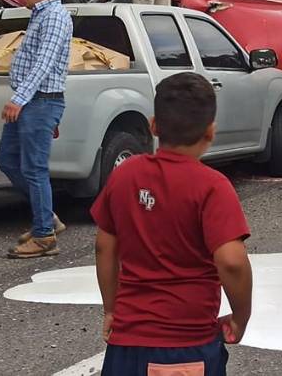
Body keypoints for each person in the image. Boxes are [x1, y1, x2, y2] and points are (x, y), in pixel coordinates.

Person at [92, 73, 253, 376]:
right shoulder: (212, 186)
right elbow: (231, 261)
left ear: (154, 125)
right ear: (210, 132)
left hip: (127, 341)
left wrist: (112, 310)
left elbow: (104, 246)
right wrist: (241, 317)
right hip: (186, 342)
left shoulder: (125, 174)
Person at [0, 0, 73, 258]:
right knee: (8, 160)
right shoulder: (40, 15)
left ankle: (44, 236)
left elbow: (44, 63)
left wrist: (18, 98)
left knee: (34, 169)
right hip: (32, 101)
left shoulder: (54, 16)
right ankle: (47, 218)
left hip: (41, 101)